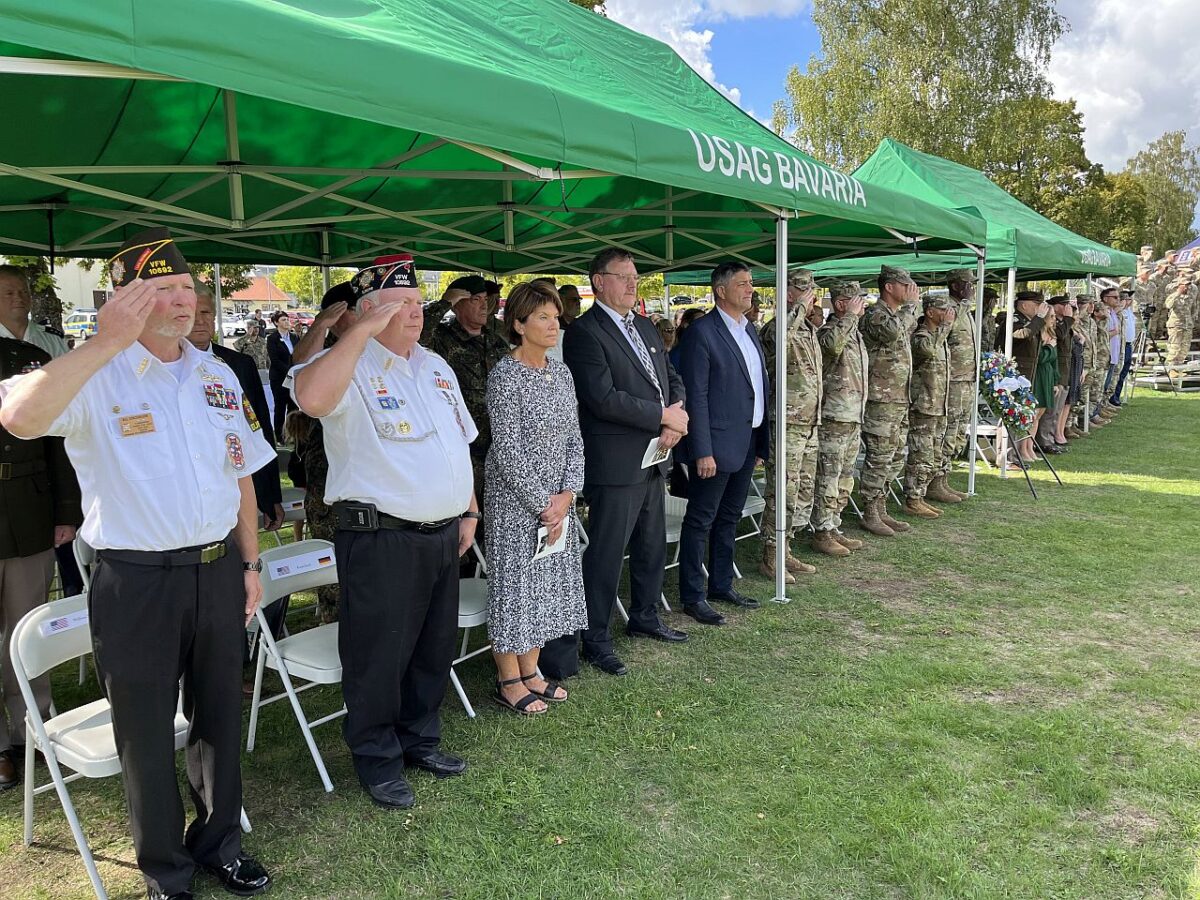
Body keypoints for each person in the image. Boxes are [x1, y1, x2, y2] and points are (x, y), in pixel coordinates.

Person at [0, 227, 274, 899]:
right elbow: (19, 418)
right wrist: (103, 342)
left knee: (218, 716)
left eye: (187, 287)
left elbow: (241, 474)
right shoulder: (96, 373)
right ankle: (165, 870)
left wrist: (250, 564)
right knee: (146, 733)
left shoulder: (215, 374)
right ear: (127, 300)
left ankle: (220, 844)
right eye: (164, 290)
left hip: (216, 569)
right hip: (137, 580)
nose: (184, 300)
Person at [292, 253, 478, 810]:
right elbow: (311, 398)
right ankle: (376, 757)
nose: (415, 313)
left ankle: (420, 739)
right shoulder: (347, 364)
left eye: (418, 303)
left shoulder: (436, 367)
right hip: (381, 537)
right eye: (400, 305)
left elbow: (458, 443)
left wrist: (468, 509)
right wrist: (356, 334)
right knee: (378, 656)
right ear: (370, 311)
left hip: (442, 533)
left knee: (431, 648)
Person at [544, 248, 688, 681]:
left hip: (655, 455)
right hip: (616, 462)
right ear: (598, 281)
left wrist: (676, 414)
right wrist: (661, 416)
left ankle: (645, 616)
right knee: (607, 555)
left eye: (635, 276)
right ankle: (596, 638)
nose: (631, 284)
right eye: (623, 276)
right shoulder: (586, 332)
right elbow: (602, 398)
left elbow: (669, 376)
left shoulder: (643, 325)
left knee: (651, 545)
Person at [483, 282, 586, 714]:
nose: (553, 324)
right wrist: (544, 504)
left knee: (543, 585)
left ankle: (532, 672)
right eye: (543, 317)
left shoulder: (561, 373)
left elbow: (574, 438)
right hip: (515, 503)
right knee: (514, 588)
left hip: (557, 502)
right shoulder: (505, 376)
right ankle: (509, 680)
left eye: (555, 316)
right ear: (519, 324)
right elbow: (507, 450)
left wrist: (567, 494)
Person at [0, 336, 81, 792]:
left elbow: (57, 444)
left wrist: (66, 510)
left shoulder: (29, 359)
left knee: (27, 628)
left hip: (26, 514)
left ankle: (31, 728)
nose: (19, 302)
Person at [676, 262, 771, 618]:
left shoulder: (749, 329)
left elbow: (755, 386)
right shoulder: (703, 332)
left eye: (751, 283)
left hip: (747, 439)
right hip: (715, 445)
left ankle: (721, 583)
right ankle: (692, 595)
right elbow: (696, 396)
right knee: (701, 519)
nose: (750, 289)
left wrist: (759, 441)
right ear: (721, 290)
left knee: (729, 515)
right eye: (743, 283)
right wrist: (702, 450)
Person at [0, 266, 83, 597]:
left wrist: (67, 510)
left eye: (23, 291)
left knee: (29, 604)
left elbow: (64, 423)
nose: (19, 298)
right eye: (8, 292)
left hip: (34, 489)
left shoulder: (49, 344)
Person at [288, 281, 360, 621]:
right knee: (331, 559)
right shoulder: (326, 350)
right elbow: (299, 364)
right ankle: (331, 620)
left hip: (361, 475)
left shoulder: (369, 351)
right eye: (356, 310)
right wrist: (321, 325)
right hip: (327, 475)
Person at [189, 286, 284, 533]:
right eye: (191, 313)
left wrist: (271, 496)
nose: (199, 320)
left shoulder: (238, 365)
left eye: (205, 313)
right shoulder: (161, 368)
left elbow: (260, 430)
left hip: (237, 490)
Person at [758, 269, 825, 580]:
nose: (811, 297)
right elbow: (779, 342)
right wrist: (797, 308)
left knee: (802, 490)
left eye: (812, 291)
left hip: (808, 421)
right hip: (787, 421)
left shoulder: (807, 330)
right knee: (782, 490)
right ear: (788, 294)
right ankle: (771, 554)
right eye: (804, 291)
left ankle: (786, 548)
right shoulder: (778, 327)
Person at [428, 279, 510, 515]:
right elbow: (415, 336)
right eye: (475, 300)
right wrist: (444, 303)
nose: (485, 306)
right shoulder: (441, 338)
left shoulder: (495, 341)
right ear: (457, 305)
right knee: (467, 519)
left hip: (498, 451)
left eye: (486, 300)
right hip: (463, 453)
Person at [859, 265, 920, 535]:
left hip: (898, 397)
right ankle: (870, 511)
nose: (911, 290)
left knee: (895, 455)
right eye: (905, 285)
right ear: (889, 287)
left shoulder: (896, 315)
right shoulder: (876, 314)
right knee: (879, 456)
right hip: (880, 399)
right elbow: (893, 332)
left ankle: (881, 507)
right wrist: (912, 307)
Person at [811, 281, 869, 541]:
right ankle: (822, 530)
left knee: (845, 476)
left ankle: (834, 524)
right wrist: (849, 318)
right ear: (841, 304)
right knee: (829, 476)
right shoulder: (829, 331)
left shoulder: (854, 333)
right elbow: (831, 346)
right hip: (834, 415)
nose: (862, 304)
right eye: (857, 299)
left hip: (853, 414)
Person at [903, 294, 955, 517]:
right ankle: (912, 499)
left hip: (938, 404)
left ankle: (921, 495)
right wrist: (945, 327)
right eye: (943, 310)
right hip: (923, 405)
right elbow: (927, 351)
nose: (948, 314)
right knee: (920, 455)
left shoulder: (940, 338)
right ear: (930, 312)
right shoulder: (922, 336)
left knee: (933, 455)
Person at [932, 268, 977, 503]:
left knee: (959, 433)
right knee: (947, 433)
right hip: (951, 381)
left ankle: (944, 478)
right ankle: (934, 482)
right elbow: (938, 341)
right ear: (956, 285)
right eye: (969, 284)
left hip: (966, 380)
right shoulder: (948, 309)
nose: (972, 288)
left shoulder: (965, 310)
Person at [1030, 310, 1059, 458]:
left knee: (1040, 413)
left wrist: (1055, 381)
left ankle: (1030, 446)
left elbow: (1054, 361)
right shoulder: (1038, 335)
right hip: (1039, 375)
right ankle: (1027, 448)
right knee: (1034, 413)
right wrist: (1049, 347)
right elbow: (1040, 358)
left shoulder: (1052, 335)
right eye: (1051, 316)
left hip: (1048, 375)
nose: (1054, 319)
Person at [266, 309, 295, 443]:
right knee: (280, 407)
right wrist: (289, 371)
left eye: (287, 319)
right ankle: (280, 436)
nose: (287, 322)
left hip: (293, 378)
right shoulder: (272, 339)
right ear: (276, 323)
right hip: (279, 378)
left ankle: (292, 433)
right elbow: (275, 360)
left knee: (293, 406)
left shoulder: (294, 337)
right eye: (283, 320)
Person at [1109, 290, 1136, 404]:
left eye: (1129, 299)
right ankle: (1112, 397)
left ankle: (1117, 396)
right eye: (1126, 299)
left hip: (1128, 344)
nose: (1129, 301)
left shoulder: (1129, 311)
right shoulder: (1118, 313)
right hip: (1120, 345)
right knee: (1117, 372)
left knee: (1124, 372)